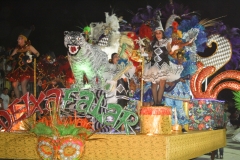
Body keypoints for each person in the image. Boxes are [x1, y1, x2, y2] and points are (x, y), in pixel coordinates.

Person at [7, 27, 40, 98]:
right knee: (14, 85)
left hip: (26, 69)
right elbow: (10, 57)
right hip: (17, 69)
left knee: (23, 85)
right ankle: (19, 100)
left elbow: (37, 53)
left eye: (19, 39)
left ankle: (26, 101)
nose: (17, 40)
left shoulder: (29, 47)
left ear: (23, 39)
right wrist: (13, 57)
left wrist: (30, 57)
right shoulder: (17, 49)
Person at [164, 51, 191, 133]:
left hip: (179, 90)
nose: (180, 59)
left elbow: (188, 77)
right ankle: (168, 125)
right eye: (178, 57)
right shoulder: (172, 65)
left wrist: (183, 80)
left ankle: (183, 126)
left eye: (181, 58)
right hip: (170, 90)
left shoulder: (186, 67)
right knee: (169, 108)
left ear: (183, 58)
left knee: (179, 108)